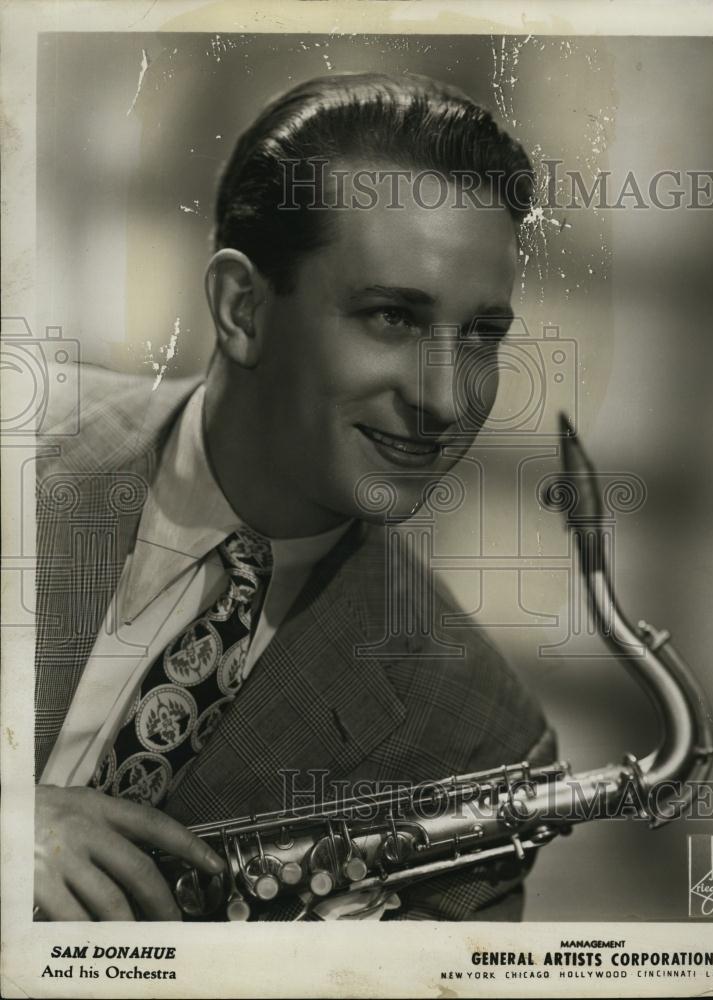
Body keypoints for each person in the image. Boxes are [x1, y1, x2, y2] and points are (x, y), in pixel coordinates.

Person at [34, 72, 556, 922]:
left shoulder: (482, 746)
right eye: (393, 316)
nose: (446, 399)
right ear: (242, 307)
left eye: (483, 336)